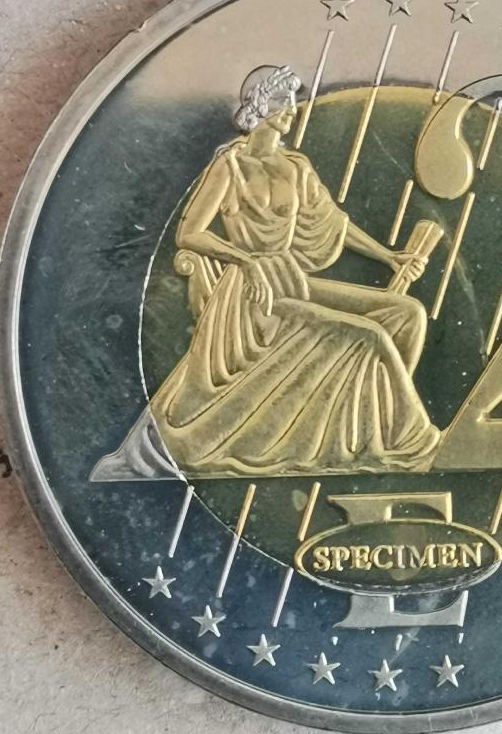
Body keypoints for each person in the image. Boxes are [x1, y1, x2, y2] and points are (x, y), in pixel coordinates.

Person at [94, 65, 440, 480]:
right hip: (248, 297)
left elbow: (335, 225)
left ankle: (373, 427)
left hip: (289, 280)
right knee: (371, 336)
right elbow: (189, 233)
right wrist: (246, 260)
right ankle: (414, 442)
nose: (292, 111)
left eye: (291, 103)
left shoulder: (295, 167)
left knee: (406, 314)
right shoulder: (231, 167)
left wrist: (391, 258)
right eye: (282, 103)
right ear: (260, 106)